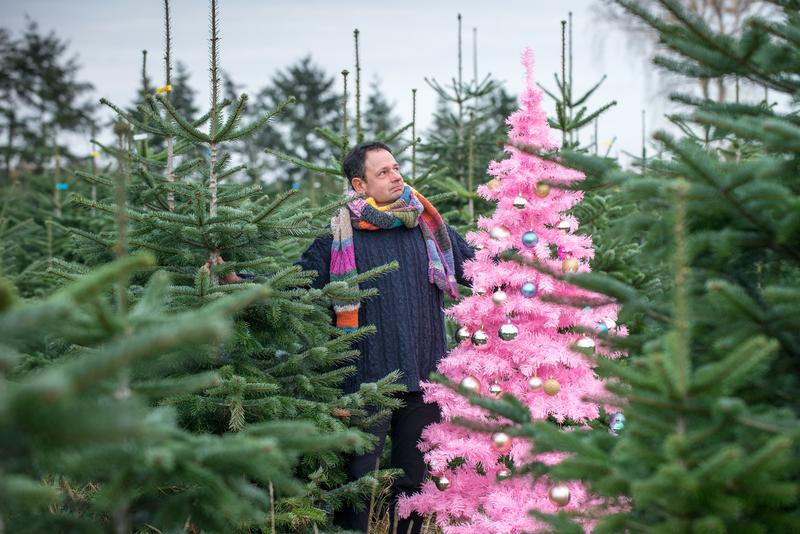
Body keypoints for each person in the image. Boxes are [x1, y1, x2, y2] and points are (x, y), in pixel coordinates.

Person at [297, 141, 474, 534]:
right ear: (360, 185)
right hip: (364, 383)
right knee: (358, 485)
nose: (396, 176)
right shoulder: (336, 238)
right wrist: (239, 281)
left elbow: (480, 268)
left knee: (415, 485)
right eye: (384, 172)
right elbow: (297, 284)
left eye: (396, 168)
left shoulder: (427, 227)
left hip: (424, 377)